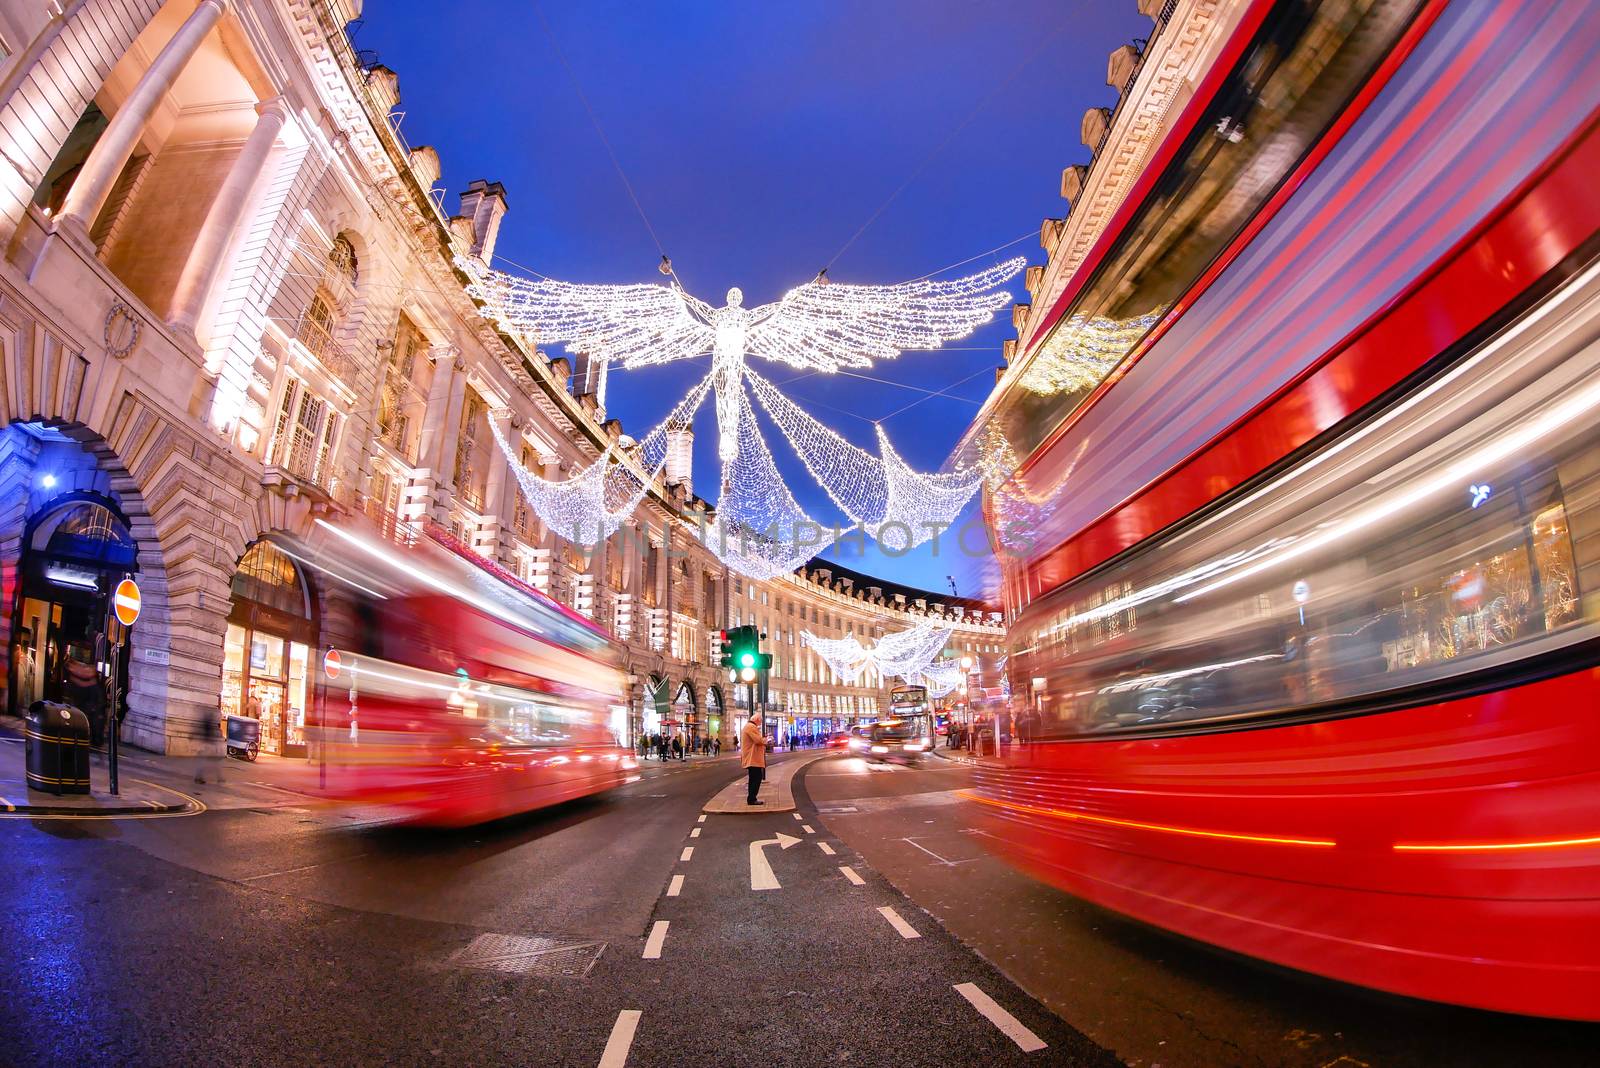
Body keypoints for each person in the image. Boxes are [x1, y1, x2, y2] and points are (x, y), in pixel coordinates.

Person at [741, 710, 768, 805]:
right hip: (752, 758)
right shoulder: (751, 727)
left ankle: (752, 798)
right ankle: (752, 799)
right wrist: (766, 740)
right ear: (756, 720)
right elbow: (758, 740)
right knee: (756, 778)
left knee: (753, 778)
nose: (760, 723)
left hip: (752, 758)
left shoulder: (749, 726)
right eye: (760, 721)